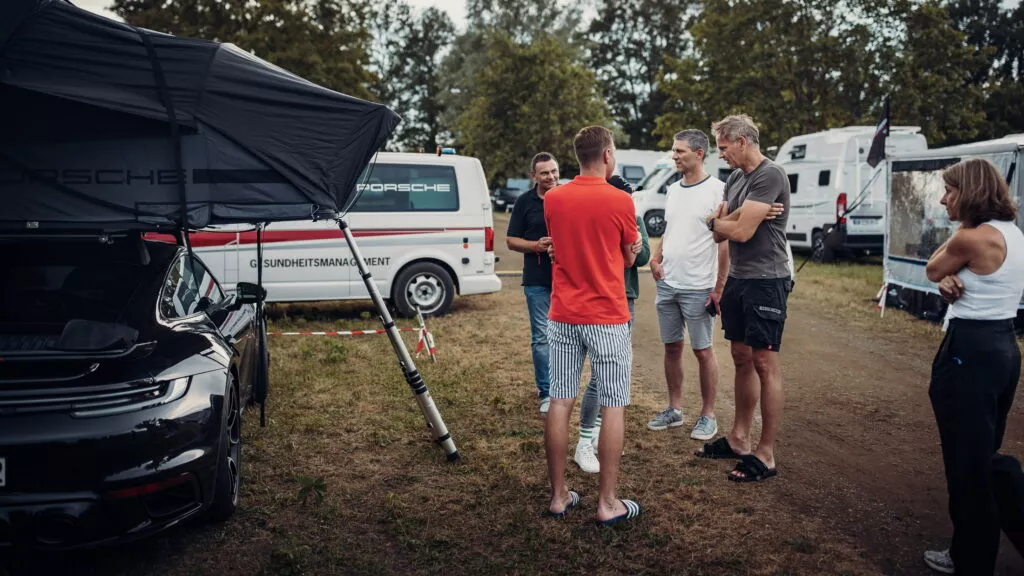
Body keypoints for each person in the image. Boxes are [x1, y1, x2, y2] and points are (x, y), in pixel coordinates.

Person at [921, 158, 1024, 575]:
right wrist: (950, 277)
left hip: (969, 351)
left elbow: (932, 267)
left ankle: (971, 560)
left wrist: (945, 273)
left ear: (972, 193)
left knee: (968, 464)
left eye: (951, 190)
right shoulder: (1012, 234)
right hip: (1003, 347)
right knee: (984, 455)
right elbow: (952, 274)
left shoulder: (969, 238)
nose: (944, 199)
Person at [543, 125, 642, 525]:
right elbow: (628, 259)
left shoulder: (553, 198)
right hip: (606, 315)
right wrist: (629, 250)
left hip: (563, 313)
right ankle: (608, 503)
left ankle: (558, 496)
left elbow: (561, 247)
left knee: (560, 399)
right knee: (613, 403)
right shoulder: (620, 200)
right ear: (606, 155)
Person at [695, 114, 791, 484]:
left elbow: (744, 232)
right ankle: (739, 438)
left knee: (765, 363)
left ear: (743, 142)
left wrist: (725, 222)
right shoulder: (736, 179)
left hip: (767, 281)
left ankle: (765, 455)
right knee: (740, 357)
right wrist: (722, 222)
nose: (721, 155)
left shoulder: (770, 175)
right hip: (738, 279)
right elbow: (722, 232)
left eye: (723, 147)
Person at [646, 129, 728, 441]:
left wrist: (718, 288)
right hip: (668, 283)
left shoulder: (719, 191)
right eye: (674, 150)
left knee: (703, 350)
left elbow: (723, 244)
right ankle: (675, 410)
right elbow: (670, 228)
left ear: (698, 154)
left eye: (680, 151)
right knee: (671, 347)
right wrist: (656, 258)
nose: (674, 155)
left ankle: (708, 416)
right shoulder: (673, 190)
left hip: (699, 286)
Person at [573, 175, 650, 474]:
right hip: (602, 301)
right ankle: (586, 438)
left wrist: (636, 245)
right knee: (598, 376)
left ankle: (603, 432)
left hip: (625, 299)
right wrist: (628, 249)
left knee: (616, 372)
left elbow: (641, 257)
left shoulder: (635, 218)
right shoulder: (597, 217)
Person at [506, 153, 560, 413]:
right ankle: (546, 391)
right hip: (537, 280)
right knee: (541, 337)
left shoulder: (566, 197)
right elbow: (511, 240)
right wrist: (535, 246)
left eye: (554, 171)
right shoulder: (524, 202)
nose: (550, 177)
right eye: (544, 173)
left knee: (565, 337)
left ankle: (563, 387)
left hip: (566, 279)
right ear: (534, 176)